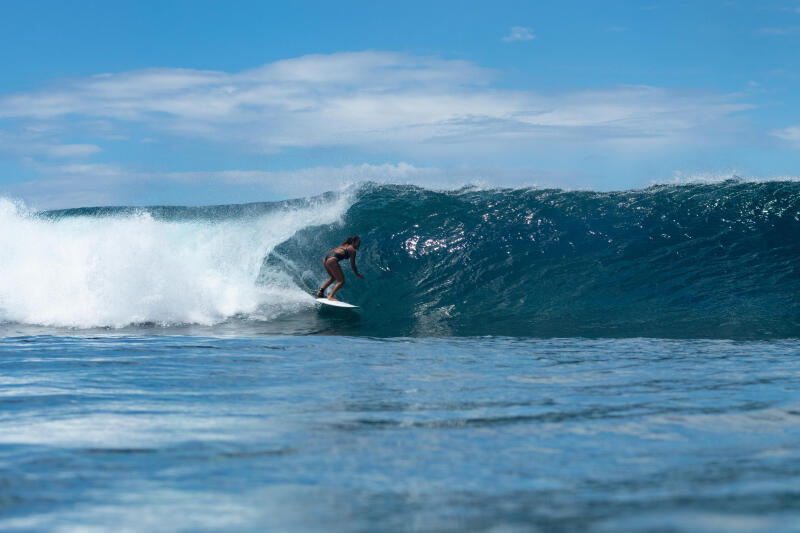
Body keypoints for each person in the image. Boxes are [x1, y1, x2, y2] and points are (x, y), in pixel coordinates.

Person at [316, 236, 364, 301]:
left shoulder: (344, 244)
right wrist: (357, 274)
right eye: (358, 243)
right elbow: (353, 266)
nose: (359, 244)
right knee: (341, 281)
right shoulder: (352, 250)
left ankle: (320, 292)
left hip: (326, 259)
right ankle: (330, 297)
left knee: (333, 278)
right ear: (354, 242)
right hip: (332, 260)